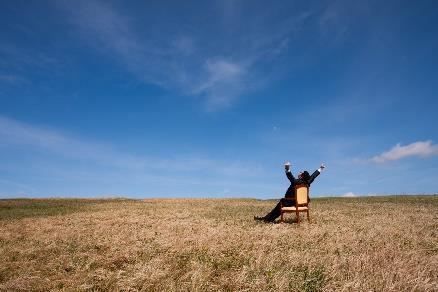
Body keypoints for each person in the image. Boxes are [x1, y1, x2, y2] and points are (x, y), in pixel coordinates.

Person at [254, 162, 325, 222]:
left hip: (291, 203)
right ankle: (268, 219)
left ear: (301, 176)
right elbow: (313, 176)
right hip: (303, 204)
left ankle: (266, 219)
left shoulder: (296, 182)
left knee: (279, 206)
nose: (299, 172)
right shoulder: (308, 182)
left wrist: (287, 168)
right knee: (278, 208)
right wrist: (320, 168)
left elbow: (290, 176)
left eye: (301, 173)